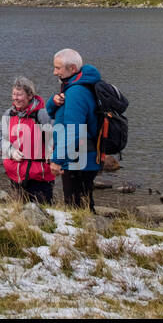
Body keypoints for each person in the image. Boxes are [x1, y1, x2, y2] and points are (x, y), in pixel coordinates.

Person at [46, 48, 100, 211]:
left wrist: (57, 160)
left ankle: (86, 235)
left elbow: (73, 130)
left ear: (72, 69)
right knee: (82, 204)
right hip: (80, 156)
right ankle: (89, 233)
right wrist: (53, 102)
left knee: (76, 207)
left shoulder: (76, 91)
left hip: (79, 159)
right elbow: (52, 112)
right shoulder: (74, 86)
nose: (54, 72)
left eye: (58, 68)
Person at [0, 76, 56, 204]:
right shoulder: (9, 114)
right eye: (14, 94)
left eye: (19, 95)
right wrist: (10, 151)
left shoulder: (42, 114)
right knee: (19, 214)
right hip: (16, 175)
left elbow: (57, 133)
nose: (15, 98)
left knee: (41, 214)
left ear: (30, 96)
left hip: (39, 178)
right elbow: (0, 137)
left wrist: (51, 151)